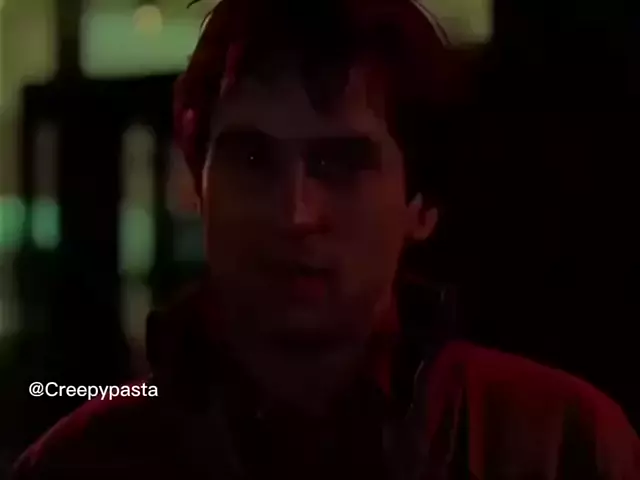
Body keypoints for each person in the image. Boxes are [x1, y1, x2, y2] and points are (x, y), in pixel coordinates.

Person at [12, 0, 640, 478]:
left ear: (421, 205)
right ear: (198, 186)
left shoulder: (557, 446)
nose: (295, 214)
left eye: (341, 163)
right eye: (251, 160)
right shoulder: (78, 464)